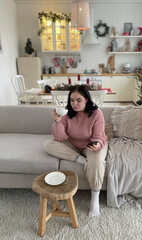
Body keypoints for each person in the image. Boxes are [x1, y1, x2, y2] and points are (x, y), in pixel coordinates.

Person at [44, 85, 108, 217]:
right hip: (73, 143)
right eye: (72, 100)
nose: (74, 103)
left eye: (78, 100)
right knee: (48, 144)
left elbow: (99, 135)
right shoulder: (67, 113)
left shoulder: (96, 113)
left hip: (91, 144)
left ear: (86, 99)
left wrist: (97, 144)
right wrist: (58, 121)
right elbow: (59, 138)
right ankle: (81, 160)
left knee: (97, 161)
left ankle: (94, 198)